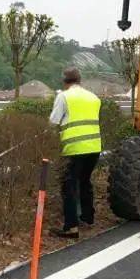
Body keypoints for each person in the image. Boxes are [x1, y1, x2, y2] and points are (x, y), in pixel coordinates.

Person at [48, 67, 102, 239]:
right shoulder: (94, 97)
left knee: (68, 186)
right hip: (94, 147)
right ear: (80, 80)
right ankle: (88, 217)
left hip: (74, 148)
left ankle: (71, 227)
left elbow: (53, 121)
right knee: (85, 182)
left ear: (64, 82)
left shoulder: (64, 96)